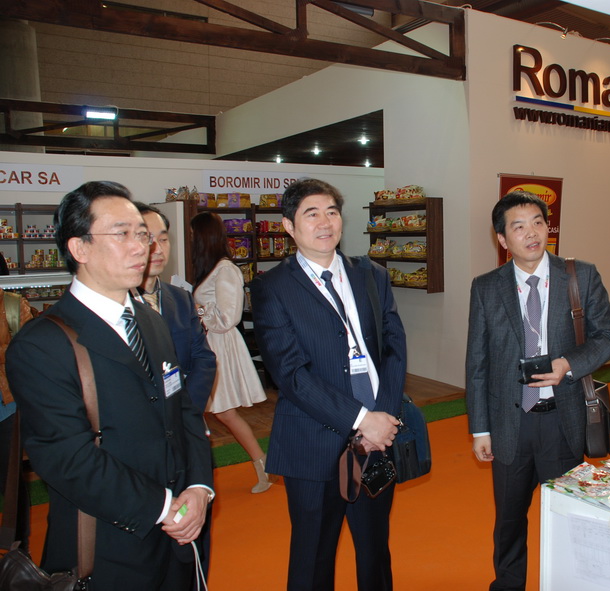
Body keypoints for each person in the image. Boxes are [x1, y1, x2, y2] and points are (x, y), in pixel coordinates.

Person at [6, 181, 214, 590]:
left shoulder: (151, 320)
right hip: (108, 544)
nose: (142, 247)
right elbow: (68, 459)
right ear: (79, 248)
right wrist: (164, 507)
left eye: (143, 234)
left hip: (180, 536)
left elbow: (182, 411)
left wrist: (198, 486)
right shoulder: (41, 344)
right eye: (122, 234)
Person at [249, 178, 406, 591]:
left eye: (332, 212)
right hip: (312, 441)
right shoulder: (271, 287)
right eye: (312, 214)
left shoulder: (371, 274)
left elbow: (394, 347)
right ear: (289, 226)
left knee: (375, 551)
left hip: (378, 441)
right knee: (313, 557)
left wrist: (383, 419)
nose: (325, 222)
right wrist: (361, 419)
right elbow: (290, 373)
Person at [466, 189, 610, 591]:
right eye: (518, 226)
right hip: (510, 423)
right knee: (509, 520)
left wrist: (568, 364)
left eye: (538, 222)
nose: (532, 233)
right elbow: (478, 362)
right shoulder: (486, 287)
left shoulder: (579, 276)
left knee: (568, 515)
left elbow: (609, 336)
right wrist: (480, 429)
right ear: (502, 239)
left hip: (562, 419)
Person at [134, 202, 217, 583]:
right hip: (142, 446)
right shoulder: (118, 306)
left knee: (194, 546)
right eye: (146, 238)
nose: (157, 248)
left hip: (186, 435)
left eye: (163, 238)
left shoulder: (179, 298)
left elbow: (203, 359)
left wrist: (186, 412)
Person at [190, 211, 272, 494]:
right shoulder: (213, 268)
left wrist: (198, 311)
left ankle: (262, 465)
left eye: (193, 235)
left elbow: (229, 317)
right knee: (219, 412)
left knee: (224, 412)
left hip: (221, 346)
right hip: (211, 344)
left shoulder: (225, 269)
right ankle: (261, 465)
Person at [0, 260, 35, 549]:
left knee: (11, 481)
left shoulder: (12, 305)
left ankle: (18, 544)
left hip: (7, 406)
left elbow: (27, 353)